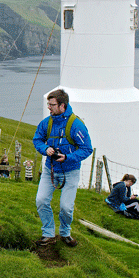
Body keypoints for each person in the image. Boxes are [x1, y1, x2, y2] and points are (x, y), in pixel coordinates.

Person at [33, 88, 93, 247]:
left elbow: (87, 149)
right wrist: (45, 149)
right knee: (41, 200)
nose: (49, 108)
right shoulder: (47, 123)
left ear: (62, 106)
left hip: (71, 171)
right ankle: (48, 232)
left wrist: (68, 157)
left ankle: (65, 233)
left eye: (52, 105)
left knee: (66, 207)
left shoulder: (76, 125)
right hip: (50, 169)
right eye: (48, 104)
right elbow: (37, 139)